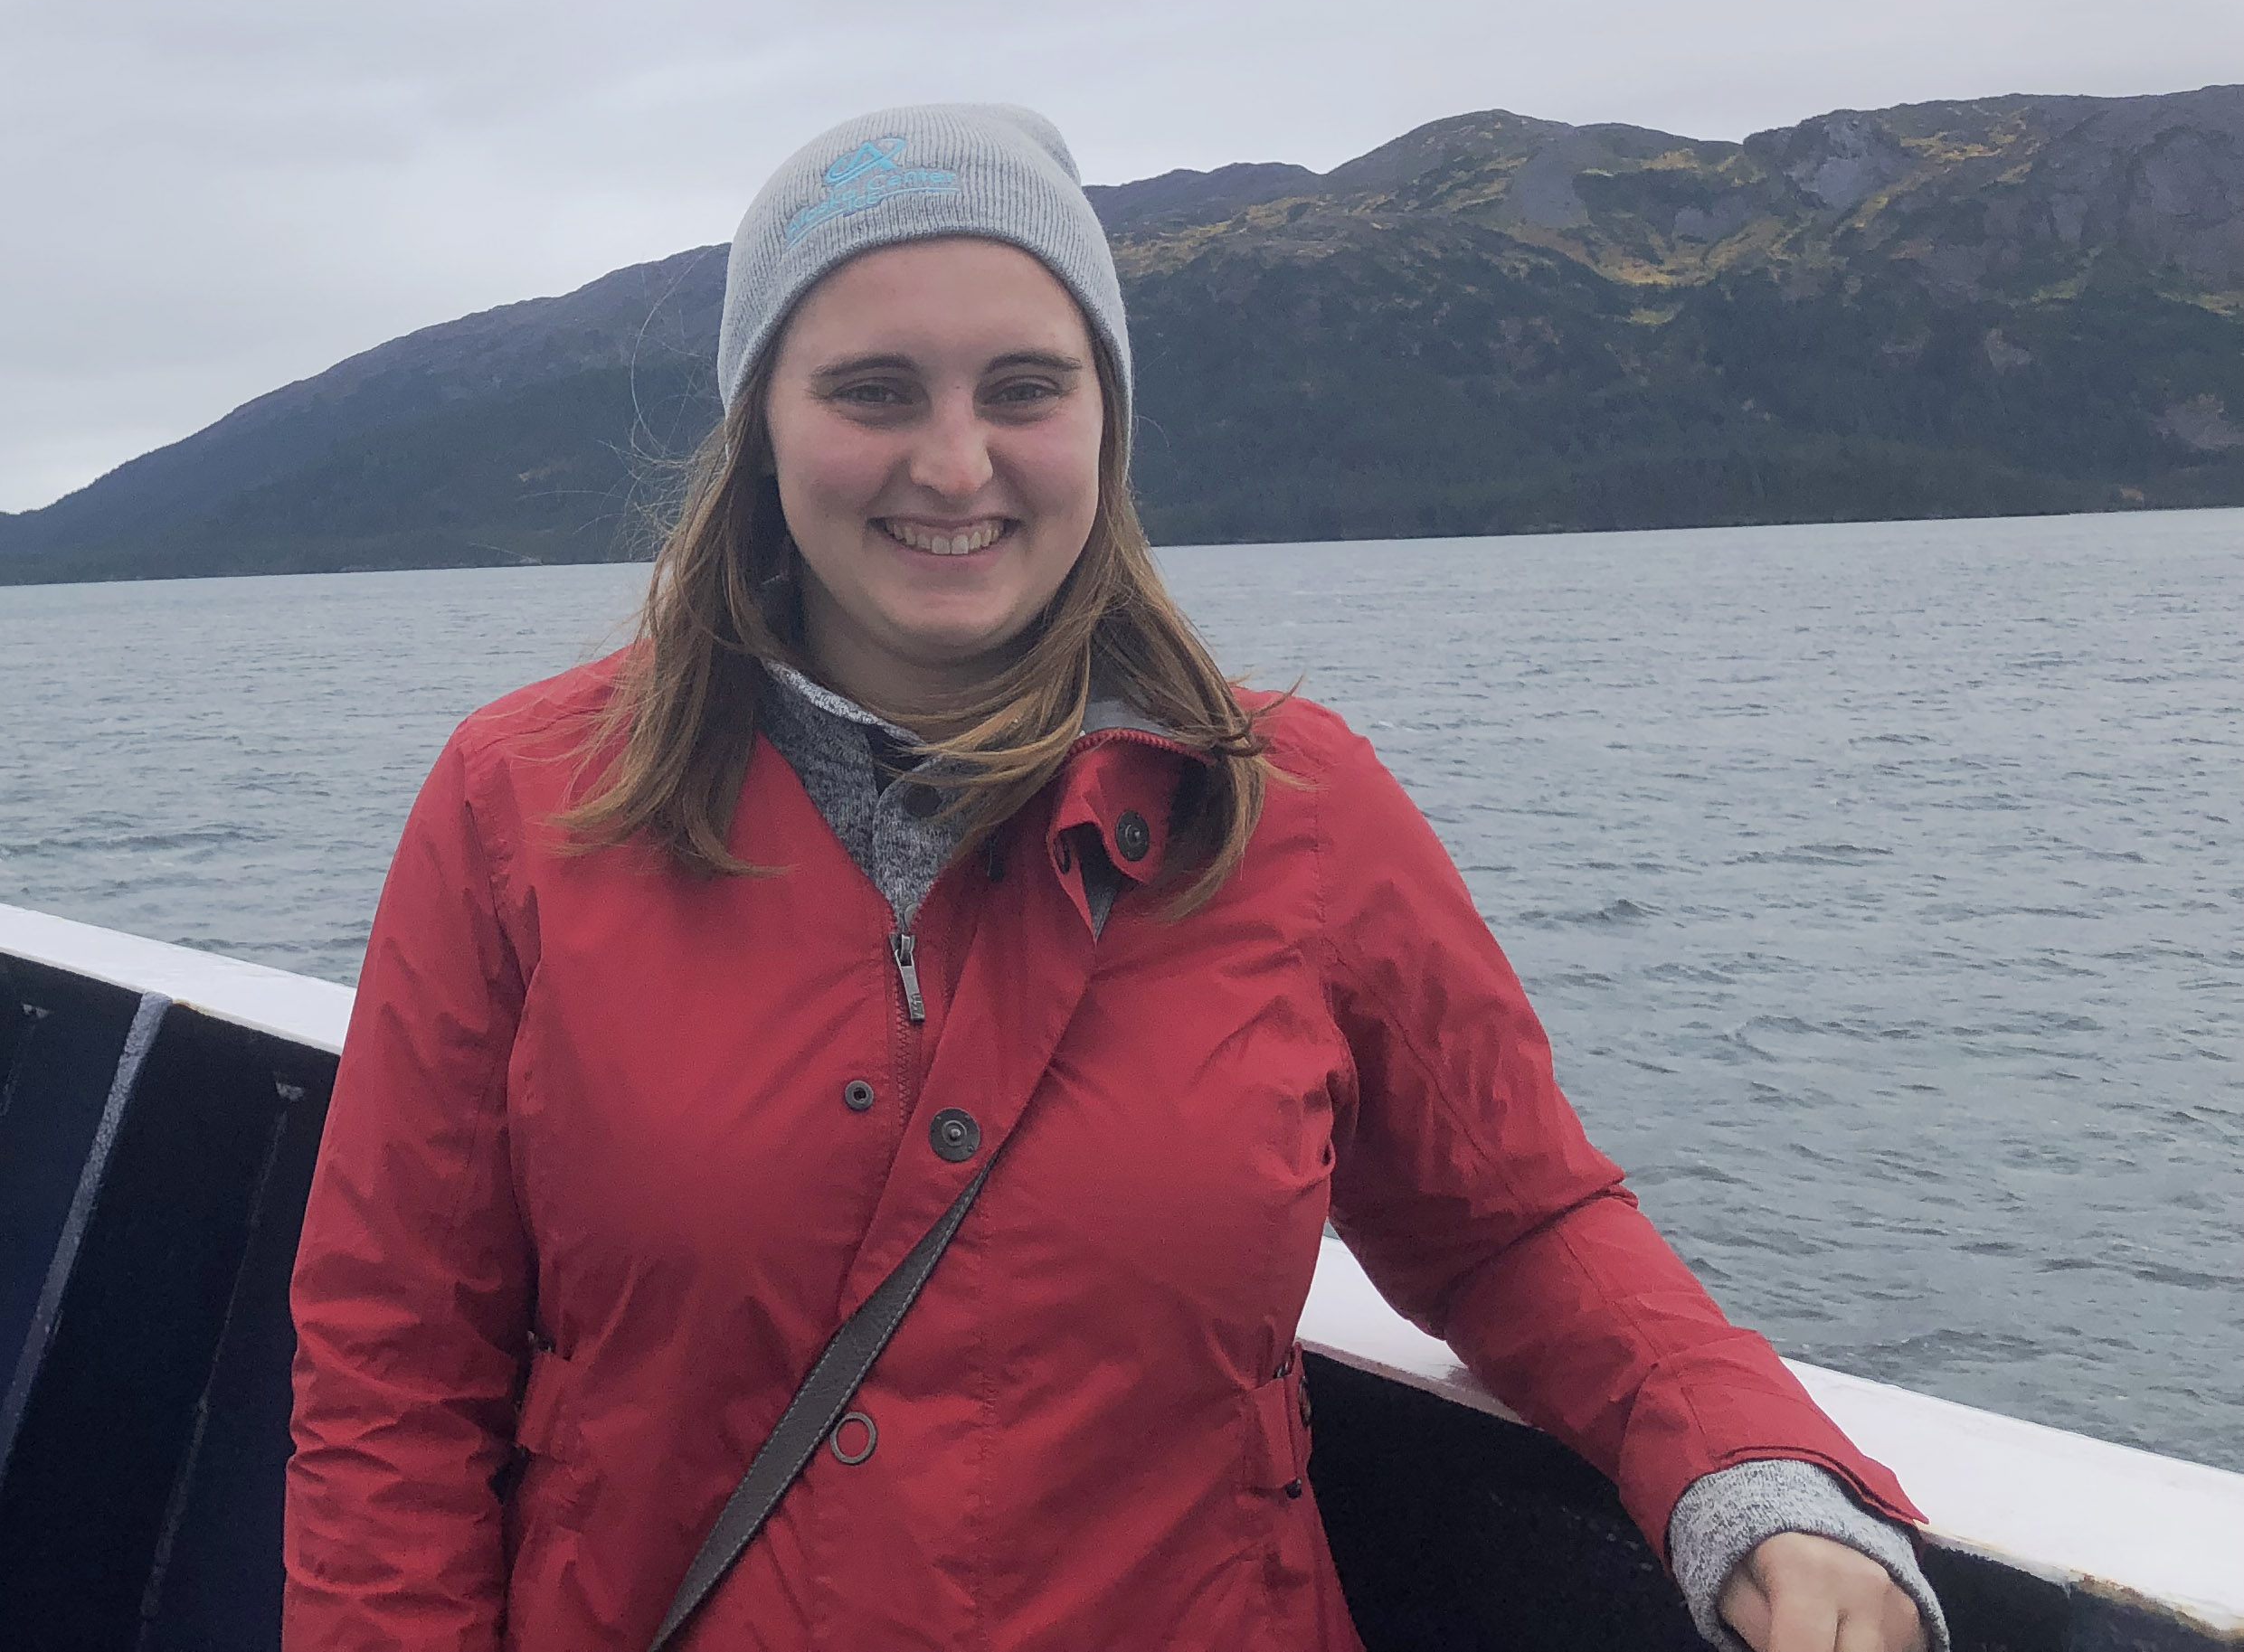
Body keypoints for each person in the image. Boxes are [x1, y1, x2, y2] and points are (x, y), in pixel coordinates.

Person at [283, 104, 1950, 1652]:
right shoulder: (525, 803)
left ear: (1103, 417)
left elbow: (1513, 1222)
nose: (956, 464)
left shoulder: (1290, 803)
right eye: (874, 390)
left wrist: (1743, 1465)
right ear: (760, 430)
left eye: (1024, 386)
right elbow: (392, 1365)